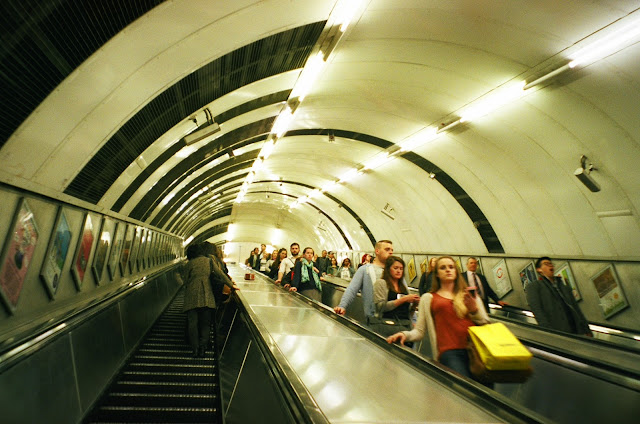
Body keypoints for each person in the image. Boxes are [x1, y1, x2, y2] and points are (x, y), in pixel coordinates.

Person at [387, 256, 490, 379]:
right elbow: (419, 331)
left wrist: (474, 310)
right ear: (436, 274)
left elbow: (486, 324)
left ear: (456, 271)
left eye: (451, 267)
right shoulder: (428, 298)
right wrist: (405, 335)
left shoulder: (469, 295)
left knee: (482, 391)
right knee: (463, 385)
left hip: (475, 351)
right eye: (443, 268)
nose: (448, 270)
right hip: (450, 352)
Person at [183, 244, 236, 357]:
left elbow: (185, 280)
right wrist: (231, 285)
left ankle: (195, 349)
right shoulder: (209, 261)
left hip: (191, 296)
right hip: (206, 295)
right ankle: (203, 348)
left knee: (193, 324)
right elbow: (221, 274)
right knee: (206, 323)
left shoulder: (189, 264)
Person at [525, 257, 591, 336]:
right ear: (539, 270)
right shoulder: (534, 287)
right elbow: (536, 309)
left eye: (551, 264)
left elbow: (576, 308)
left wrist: (586, 328)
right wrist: (548, 330)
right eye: (546, 264)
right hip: (558, 331)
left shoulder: (563, 286)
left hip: (576, 329)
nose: (551, 266)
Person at [334, 240, 394, 319]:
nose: (390, 252)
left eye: (392, 250)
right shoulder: (365, 270)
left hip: (395, 318)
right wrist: (342, 306)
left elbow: (404, 293)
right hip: (374, 318)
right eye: (387, 249)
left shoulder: (395, 270)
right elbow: (352, 289)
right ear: (377, 251)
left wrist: (413, 319)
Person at [372, 256, 420, 337]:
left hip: (404, 326)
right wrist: (403, 299)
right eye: (396, 268)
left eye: (401, 269)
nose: (399, 271)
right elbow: (380, 307)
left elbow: (408, 312)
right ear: (388, 269)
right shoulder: (381, 283)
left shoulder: (403, 287)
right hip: (386, 325)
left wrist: (414, 304)